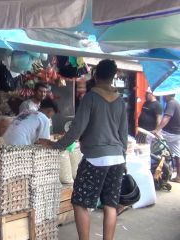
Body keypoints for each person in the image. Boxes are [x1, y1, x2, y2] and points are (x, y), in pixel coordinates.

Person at [38, 59, 127, 240]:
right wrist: (124, 159)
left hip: (95, 158)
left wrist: (56, 145)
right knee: (111, 204)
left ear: (95, 75)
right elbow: (123, 135)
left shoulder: (91, 98)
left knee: (80, 202)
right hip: (117, 158)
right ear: (113, 77)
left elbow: (76, 129)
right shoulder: (120, 102)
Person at [154, 94, 180, 183]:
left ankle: (154, 168)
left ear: (168, 95)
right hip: (176, 133)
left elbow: (167, 117)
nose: (164, 96)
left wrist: (157, 130)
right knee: (177, 154)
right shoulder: (176, 102)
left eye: (165, 95)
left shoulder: (171, 103)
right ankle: (178, 176)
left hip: (169, 133)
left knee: (152, 140)